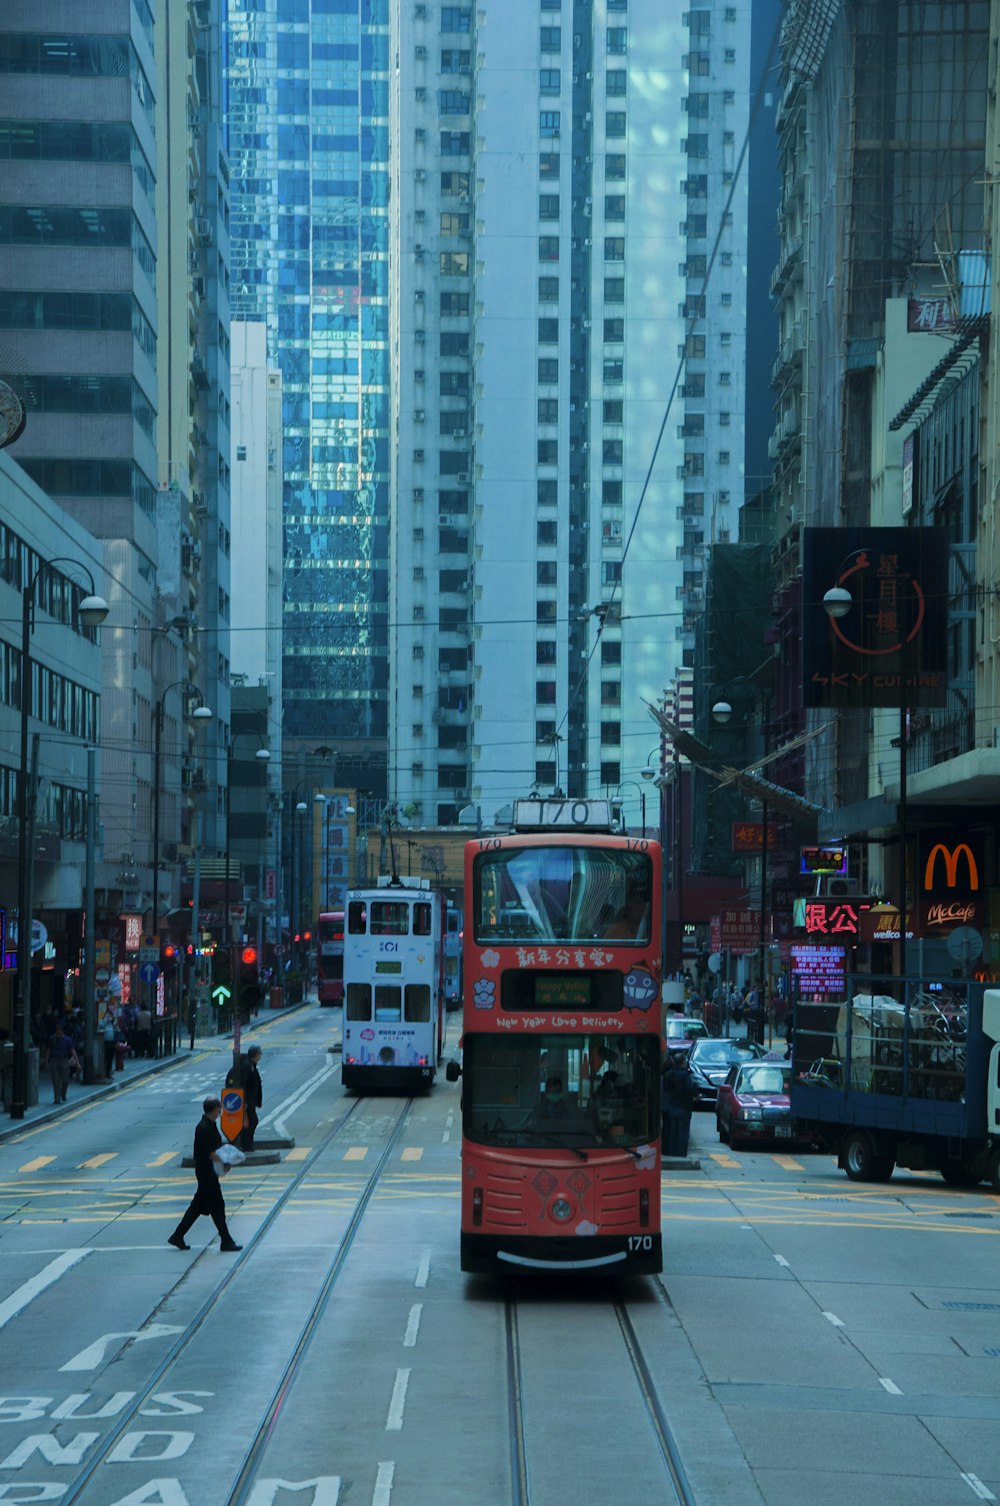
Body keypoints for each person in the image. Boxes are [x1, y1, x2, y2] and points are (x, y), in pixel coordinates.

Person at [168, 1097, 242, 1252]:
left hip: (210, 1171)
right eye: (219, 1109)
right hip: (205, 1172)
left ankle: (177, 1235)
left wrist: (227, 1161)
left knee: (197, 1207)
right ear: (214, 1109)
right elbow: (209, 1153)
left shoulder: (211, 1125)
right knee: (217, 1206)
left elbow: (218, 1148)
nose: (221, 1111)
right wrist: (223, 1162)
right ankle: (226, 1240)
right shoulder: (203, 1128)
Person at [226, 1044, 263, 1150]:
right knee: (252, 1121)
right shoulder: (247, 1066)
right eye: (260, 1054)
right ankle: (246, 1144)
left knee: (251, 1121)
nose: (260, 1056)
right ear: (256, 1054)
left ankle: (247, 1144)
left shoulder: (251, 1065)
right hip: (247, 1101)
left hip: (250, 1100)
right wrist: (245, 1101)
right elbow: (244, 1084)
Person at [661, 1051, 696, 1157]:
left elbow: (666, 1088)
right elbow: (689, 1090)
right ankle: (680, 1153)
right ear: (682, 1062)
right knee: (682, 1132)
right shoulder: (685, 1075)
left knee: (673, 1131)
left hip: (672, 1105)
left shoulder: (668, 1074)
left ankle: (671, 1152)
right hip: (683, 1107)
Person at [44, 1021, 80, 1104]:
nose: (58, 1035)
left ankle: (63, 1094)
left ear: (62, 1032)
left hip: (64, 1060)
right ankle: (57, 1097)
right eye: (57, 1033)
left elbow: (73, 1051)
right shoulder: (52, 1039)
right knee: (55, 1080)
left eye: (59, 1033)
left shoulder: (67, 1040)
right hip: (54, 1061)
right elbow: (48, 1051)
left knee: (65, 1080)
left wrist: (77, 1063)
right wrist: (46, 1063)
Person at [100, 1005, 118, 1079]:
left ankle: (108, 1073)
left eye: (110, 1015)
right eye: (108, 1015)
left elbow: (116, 1031)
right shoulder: (103, 1022)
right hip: (105, 1043)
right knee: (105, 1059)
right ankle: (104, 1073)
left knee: (110, 1059)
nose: (109, 1017)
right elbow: (101, 1026)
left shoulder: (112, 1024)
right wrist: (105, 1020)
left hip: (112, 1042)